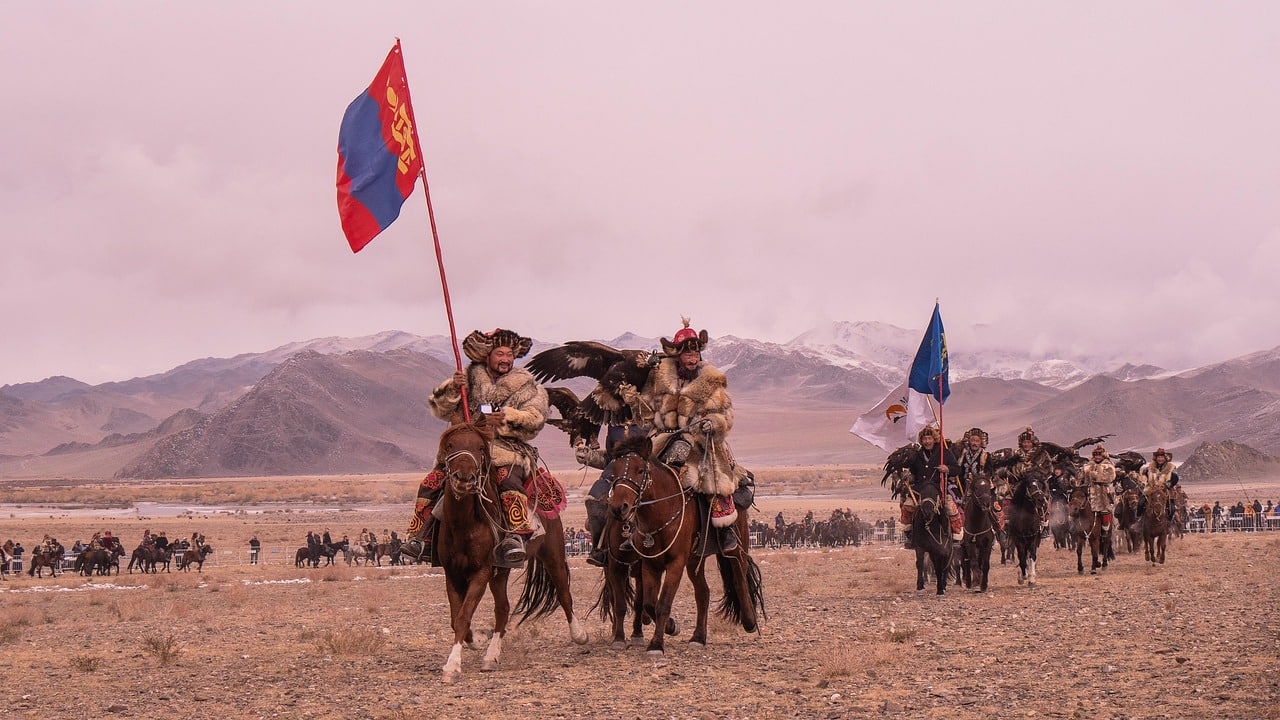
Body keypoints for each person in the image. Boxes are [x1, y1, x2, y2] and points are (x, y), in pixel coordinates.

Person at [401, 328, 548, 569]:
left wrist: (506, 417)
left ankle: (514, 536)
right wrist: (452, 389)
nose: (506, 359)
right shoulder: (467, 379)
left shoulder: (528, 387)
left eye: (509, 354)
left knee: (508, 480)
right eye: (500, 354)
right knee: (431, 482)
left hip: (505, 450)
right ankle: (422, 538)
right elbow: (441, 410)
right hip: (466, 448)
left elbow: (535, 418)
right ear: (487, 356)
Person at [899, 426, 962, 548]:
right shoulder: (917, 455)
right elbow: (913, 473)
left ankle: (956, 536)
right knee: (908, 505)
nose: (927, 441)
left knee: (951, 507)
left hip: (939, 489)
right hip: (920, 490)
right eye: (924, 439)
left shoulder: (944, 453)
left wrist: (947, 468)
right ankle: (910, 534)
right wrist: (908, 476)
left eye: (929, 438)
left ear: (934, 439)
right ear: (921, 440)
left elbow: (957, 469)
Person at [1080, 445, 1117, 531]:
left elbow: (1110, 478)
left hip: (1103, 492)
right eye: (1095, 455)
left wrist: (1096, 476)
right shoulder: (1088, 466)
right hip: (1088, 492)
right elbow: (1082, 478)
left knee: (1105, 510)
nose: (1097, 457)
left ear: (1103, 456)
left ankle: (1105, 528)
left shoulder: (1108, 466)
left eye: (1099, 455)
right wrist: (1079, 482)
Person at [1138, 448, 1179, 520]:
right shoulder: (1150, 468)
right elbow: (1144, 476)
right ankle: (1139, 519)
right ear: (1156, 458)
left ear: (1165, 458)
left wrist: (1168, 484)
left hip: (1165, 490)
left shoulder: (1171, 467)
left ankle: (1170, 522)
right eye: (1158, 457)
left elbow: (1175, 478)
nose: (1160, 459)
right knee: (1141, 503)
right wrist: (1144, 481)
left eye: (1162, 457)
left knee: (1171, 508)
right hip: (1151, 489)